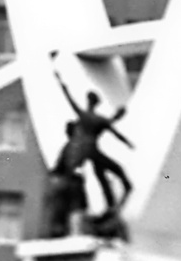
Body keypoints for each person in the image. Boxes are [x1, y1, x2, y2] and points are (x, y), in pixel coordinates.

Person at [51, 63, 134, 213]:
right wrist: (128, 143)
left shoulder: (84, 116)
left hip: (81, 152)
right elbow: (113, 129)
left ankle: (111, 204)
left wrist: (60, 81)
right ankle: (116, 199)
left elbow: (69, 98)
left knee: (101, 173)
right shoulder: (97, 119)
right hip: (90, 150)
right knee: (113, 170)